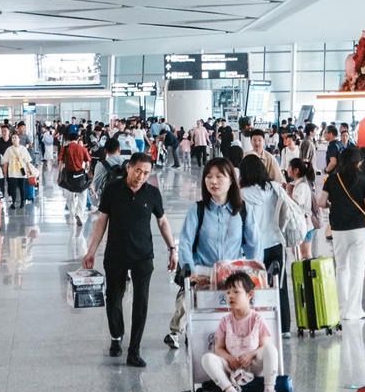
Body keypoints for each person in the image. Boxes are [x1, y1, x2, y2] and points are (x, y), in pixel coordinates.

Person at [82, 153, 176, 367]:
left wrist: (172, 249)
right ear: (128, 168)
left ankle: (134, 350)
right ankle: (116, 336)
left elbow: (162, 222)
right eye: (138, 171)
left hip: (143, 255)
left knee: (141, 303)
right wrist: (91, 251)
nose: (141, 176)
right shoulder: (112, 190)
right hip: (116, 254)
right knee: (114, 298)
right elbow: (102, 221)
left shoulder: (152, 193)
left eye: (146, 173)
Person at [166, 157, 256, 349]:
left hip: (232, 278)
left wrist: (253, 271)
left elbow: (253, 244)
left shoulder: (242, 210)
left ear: (231, 180)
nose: (213, 181)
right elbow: (186, 243)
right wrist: (190, 272)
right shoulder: (197, 210)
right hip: (202, 277)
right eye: (208, 176)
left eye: (219, 176)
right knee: (202, 333)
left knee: (231, 330)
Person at [319, 139, 365, 321]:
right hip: (358, 229)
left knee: (341, 268)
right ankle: (353, 311)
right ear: (358, 162)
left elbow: (321, 202)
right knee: (357, 269)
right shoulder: (362, 179)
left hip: (338, 229)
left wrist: (334, 204)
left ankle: (342, 308)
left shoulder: (332, 179)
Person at [201, 271, 281, 392]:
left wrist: (251, 354)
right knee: (207, 358)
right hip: (232, 367)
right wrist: (229, 358)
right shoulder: (225, 321)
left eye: (236, 292)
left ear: (250, 295)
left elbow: (264, 347)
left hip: (253, 366)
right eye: (228, 293)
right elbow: (218, 348)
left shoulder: (257, 319)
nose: (230, 296)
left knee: (271, 349)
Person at [238, 155, 286, 291]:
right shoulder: (275, 188)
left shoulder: (241, 195)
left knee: (255, 289)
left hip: (253, 248)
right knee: (279, 289)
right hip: (276, 242)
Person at [2, 133, 36, 209]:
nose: (14, 139)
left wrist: (30, 172)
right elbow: (5, 163)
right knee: (13, 189)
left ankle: (22, 202)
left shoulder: (23, 149)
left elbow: (27, 162)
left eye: (16, 138)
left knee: (22, 188)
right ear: (11, 140)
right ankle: (13, 203)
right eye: (13, 138)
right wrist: (5, 173)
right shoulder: (9, 149)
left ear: (19, 139)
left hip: (22, 172)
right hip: (12, 172)